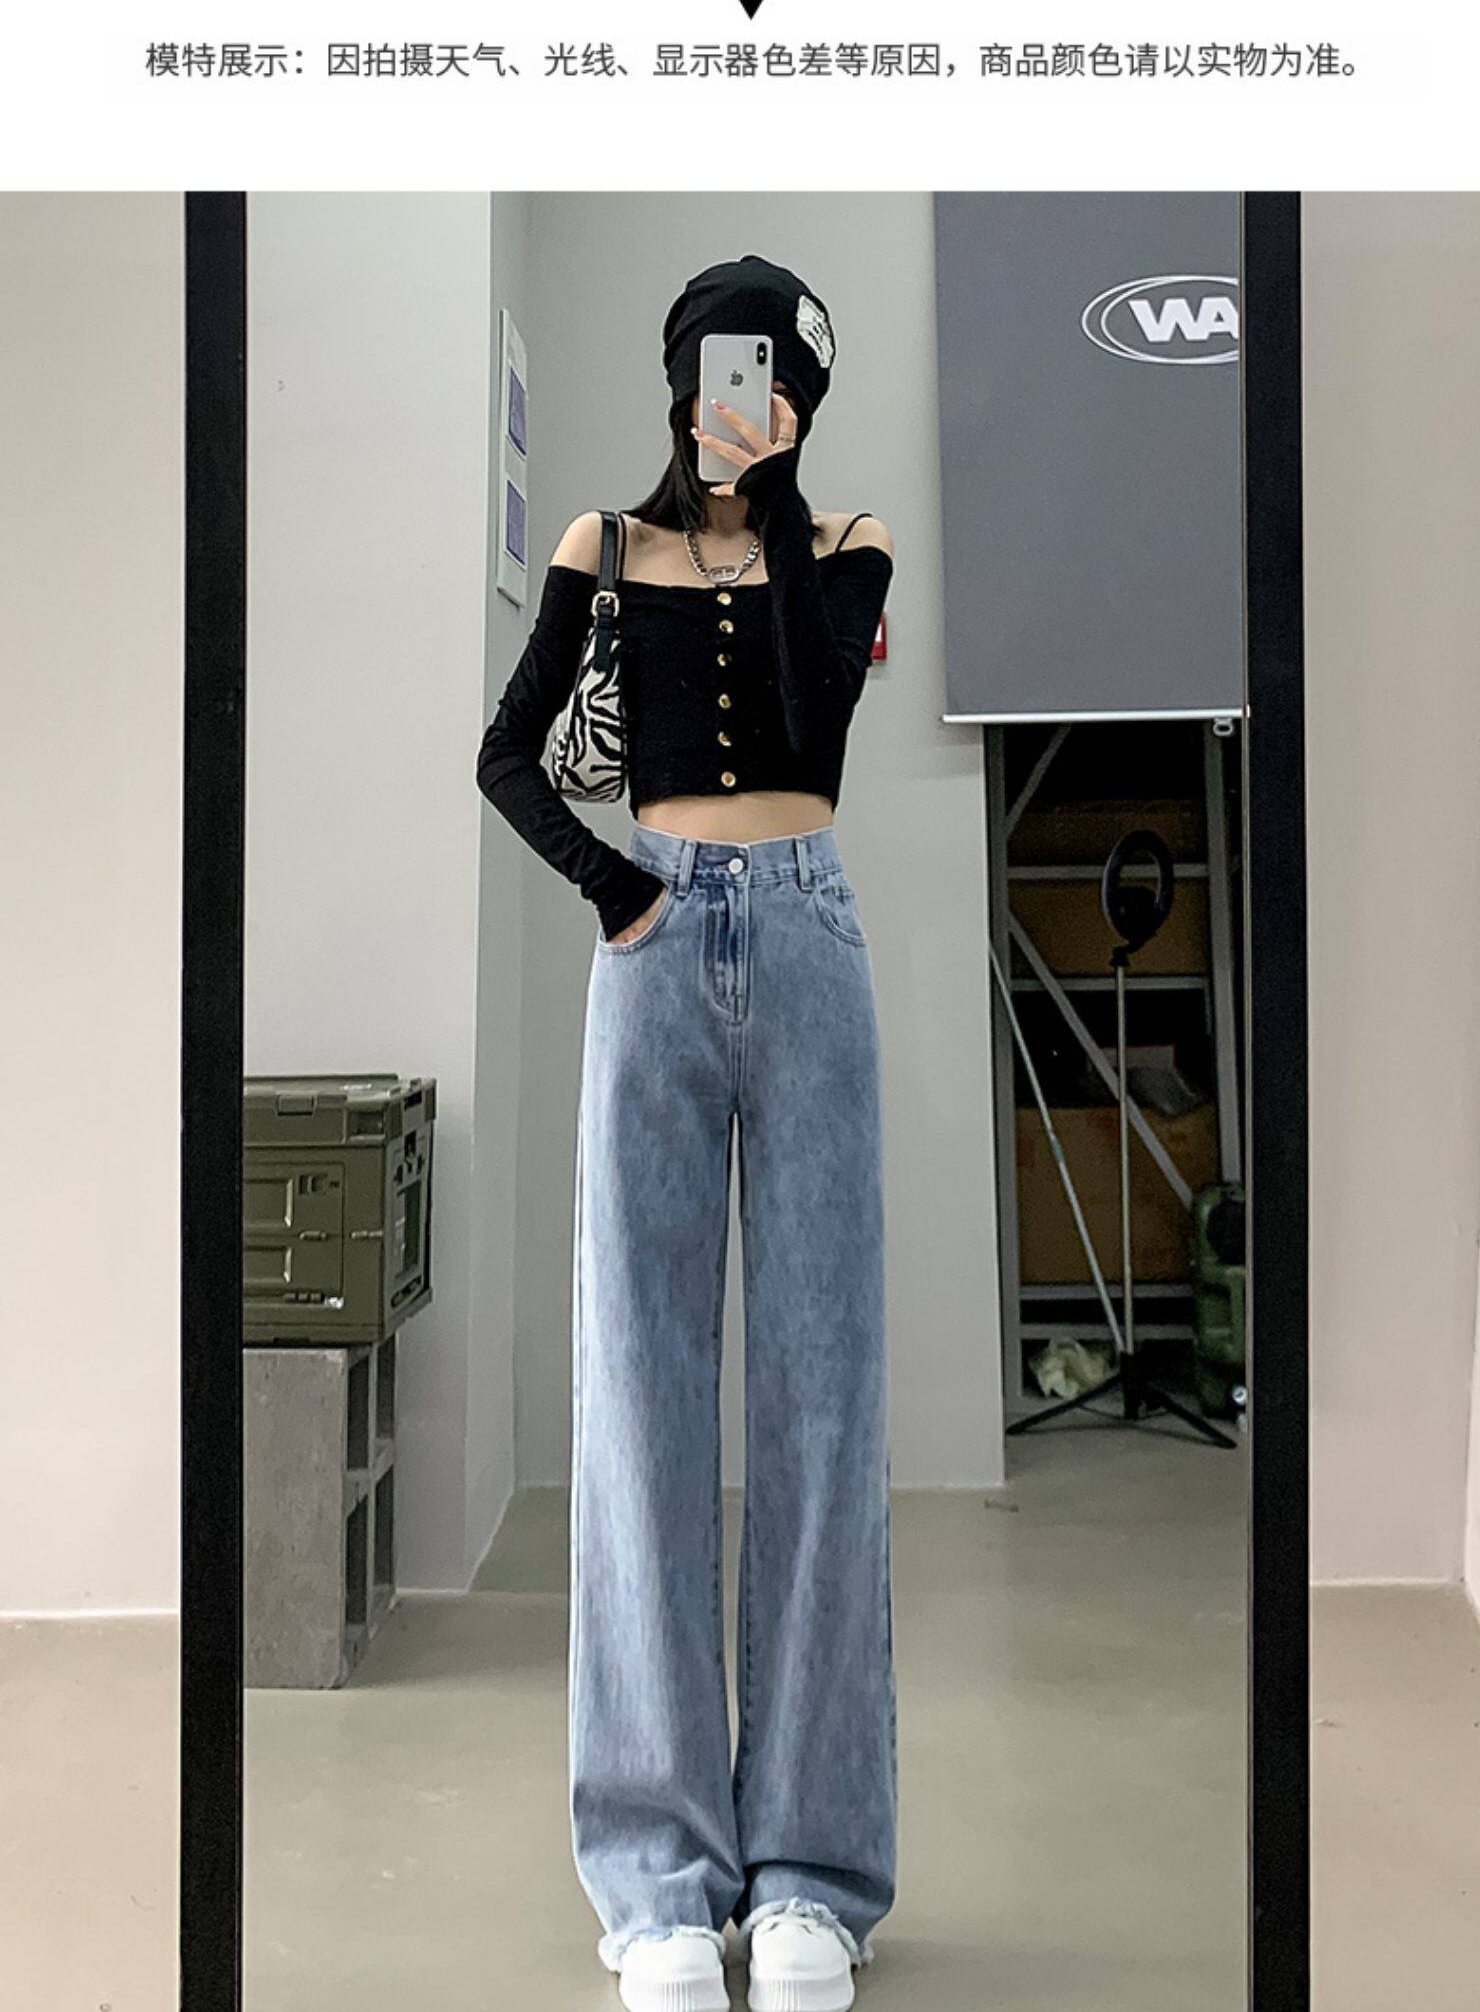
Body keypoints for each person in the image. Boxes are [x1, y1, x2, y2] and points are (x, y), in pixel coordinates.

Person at [476, 255, 897, 2012]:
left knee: (823, 1396)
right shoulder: (598, 543)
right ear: (684, 375)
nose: (753, 392)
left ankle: (809, 1879)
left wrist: (772, 506)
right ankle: (656, 1880)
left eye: (783, 375)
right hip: (652, 959)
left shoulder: (846, 544)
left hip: (807, 937)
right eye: (733, 367)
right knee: (638, 1398)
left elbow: (812, 719)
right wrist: (619, 894)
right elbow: (508, 756)